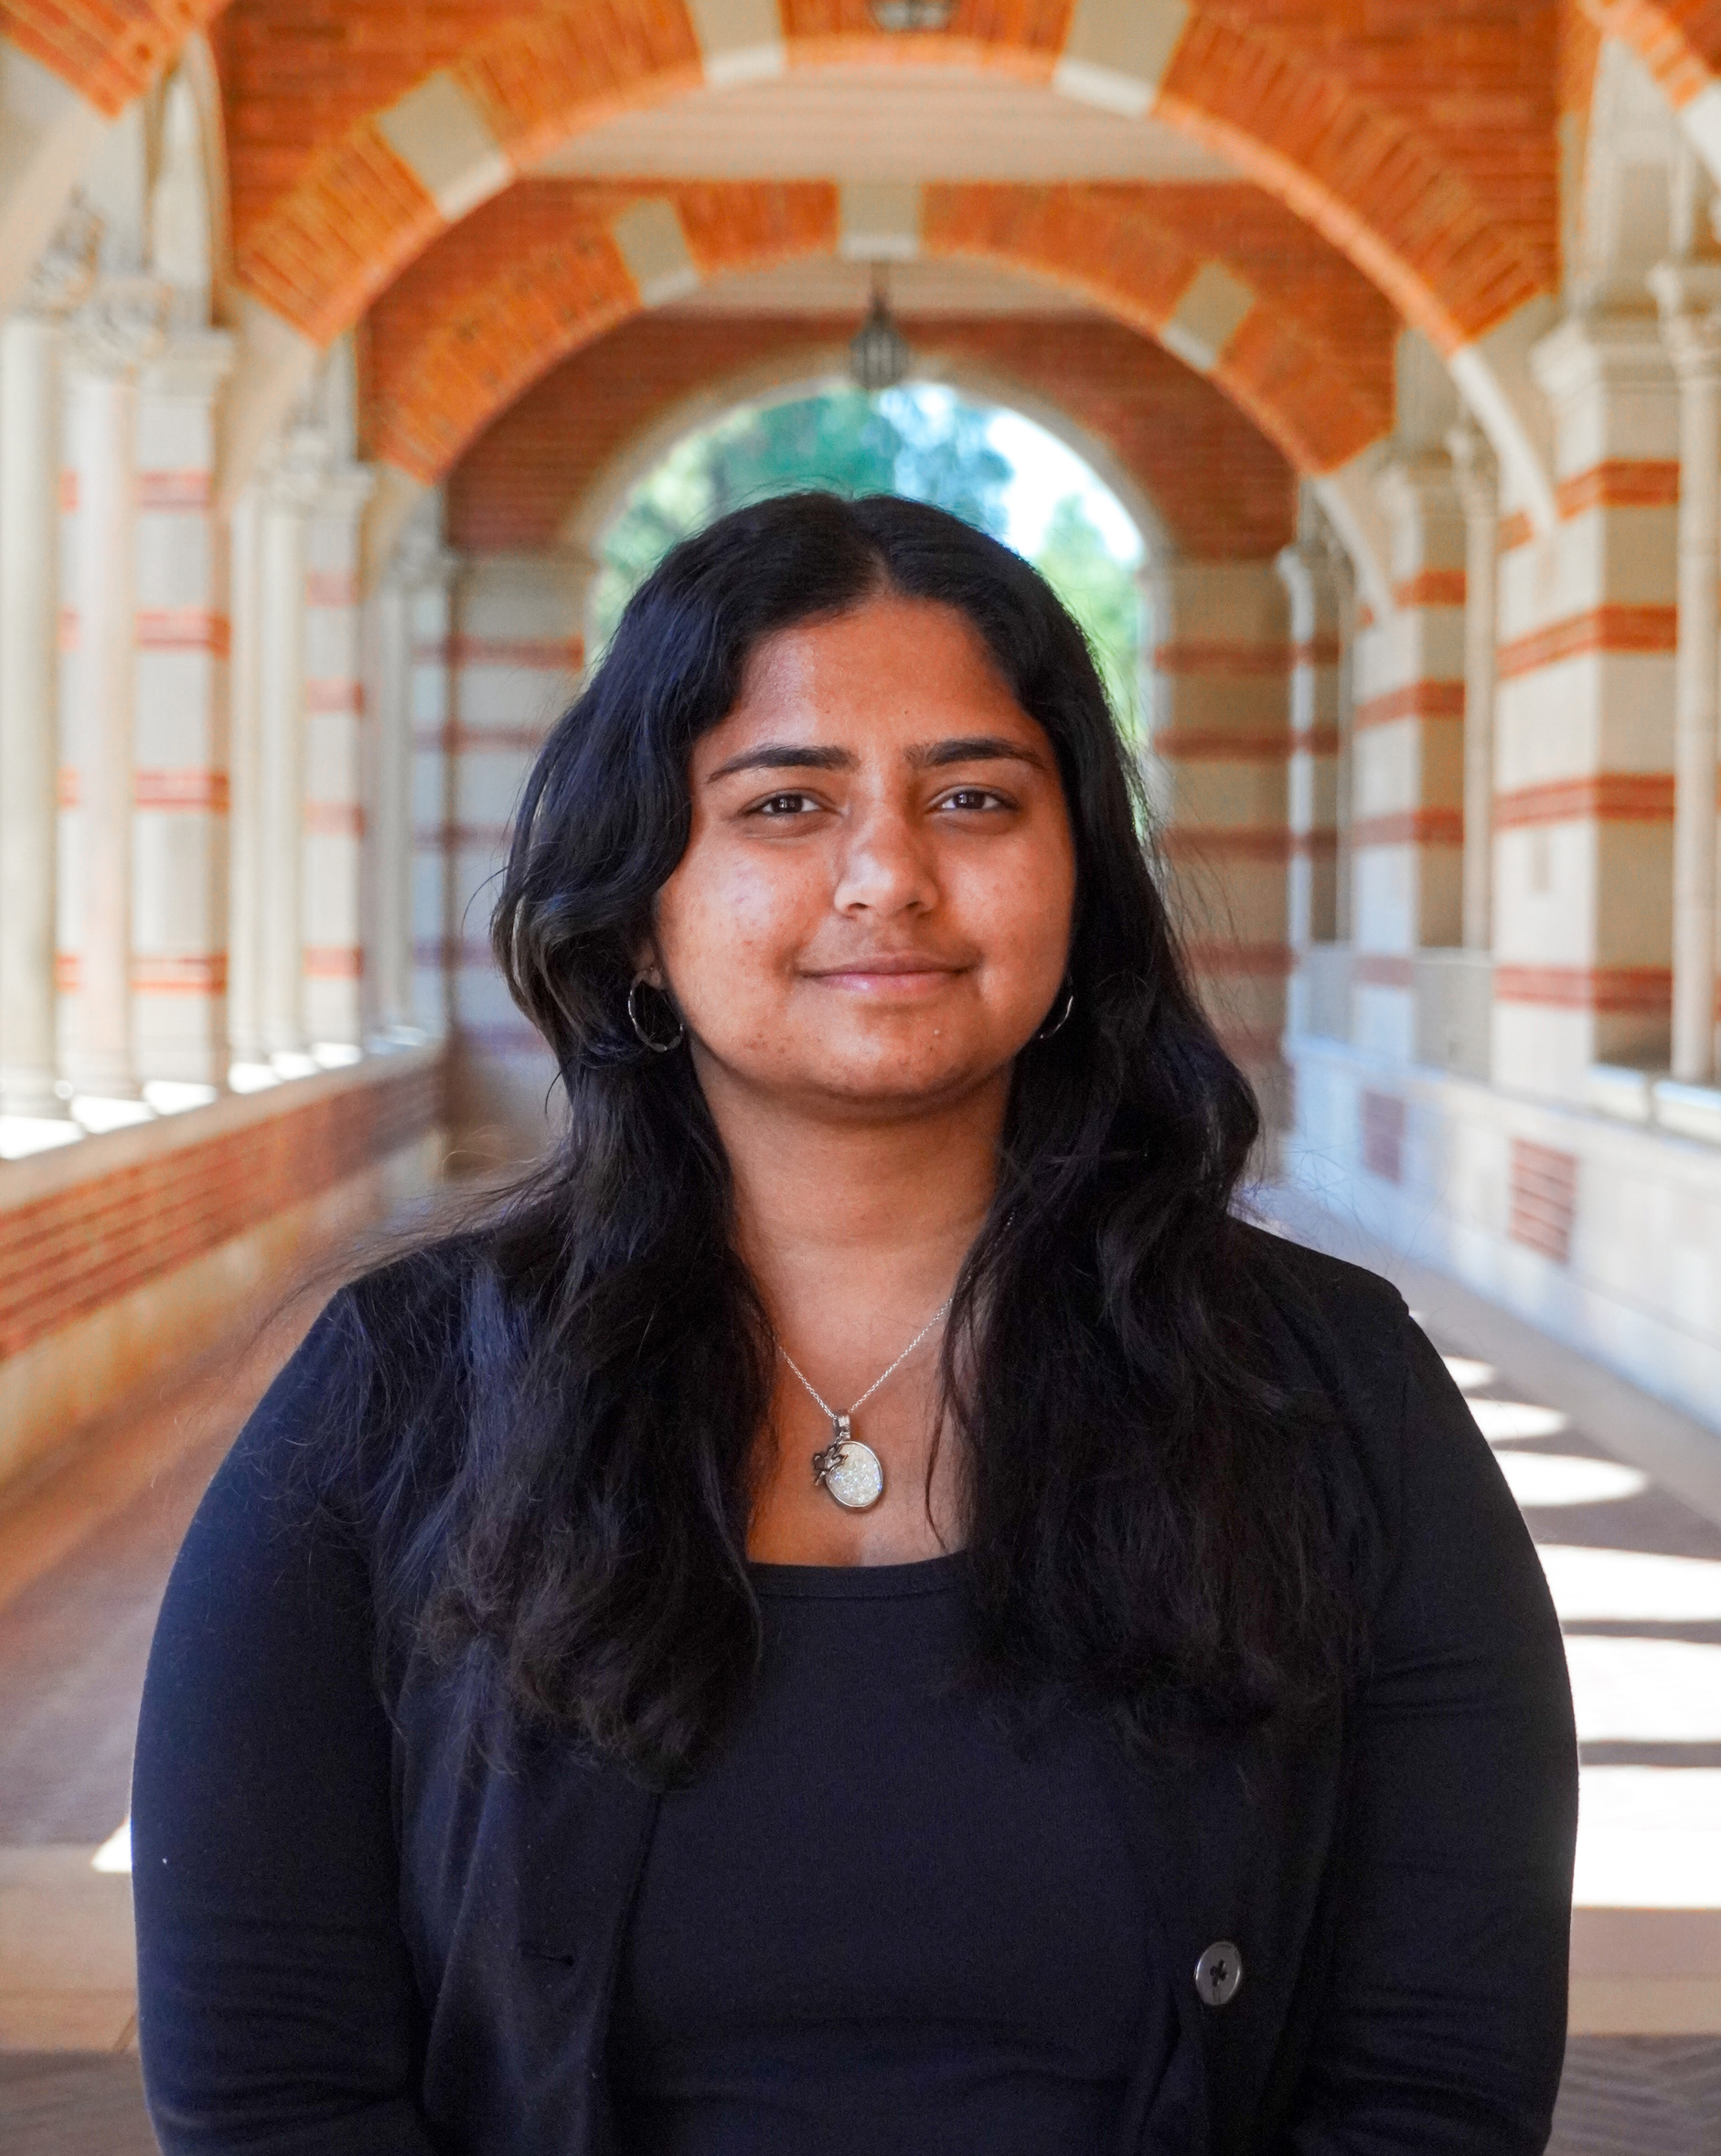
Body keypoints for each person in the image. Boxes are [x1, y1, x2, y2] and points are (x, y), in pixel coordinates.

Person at [133, 492, 1577, 2155]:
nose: (887, 873)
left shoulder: (1332, 1395)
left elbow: (1433, 2080)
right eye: (785, 802)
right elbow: (271, 2086)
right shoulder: (389, 1400)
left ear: (1076, 885)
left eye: (972, 796)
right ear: (640, 912)